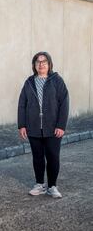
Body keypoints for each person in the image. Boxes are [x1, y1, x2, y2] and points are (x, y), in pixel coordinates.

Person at [18, 51, 69, 198]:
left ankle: (52, 186)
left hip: (53, 128)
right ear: (34, 65)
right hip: (33, 127)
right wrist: (22, 125)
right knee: (37, 157)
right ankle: (39, 184)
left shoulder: (57, 81)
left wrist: (61, 125)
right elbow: (22, 104)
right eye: (38, 62)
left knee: (53, 157)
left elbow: (64, 103)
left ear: (49, 64)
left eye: (44, 61)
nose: (41, 64)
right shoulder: (29, 82)